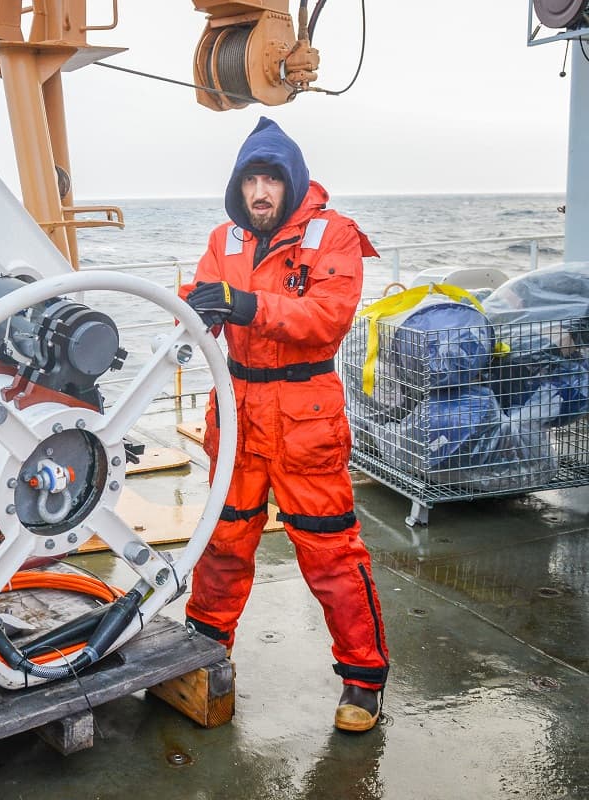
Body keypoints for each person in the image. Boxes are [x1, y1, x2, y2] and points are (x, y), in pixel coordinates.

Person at [180, 116, 389, 732]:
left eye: (272, 179)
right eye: (251, 180)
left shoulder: (337, 236)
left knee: (330, 554)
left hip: (306, 420)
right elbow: (195, 310)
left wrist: (243, 304)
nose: (261, 192)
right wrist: (194, 314)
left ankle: (363, 680)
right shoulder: (225, 240)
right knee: (221, 546)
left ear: (292, 182)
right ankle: (204, 657)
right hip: (238, 416)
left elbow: (326, 318)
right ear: (238, 187)